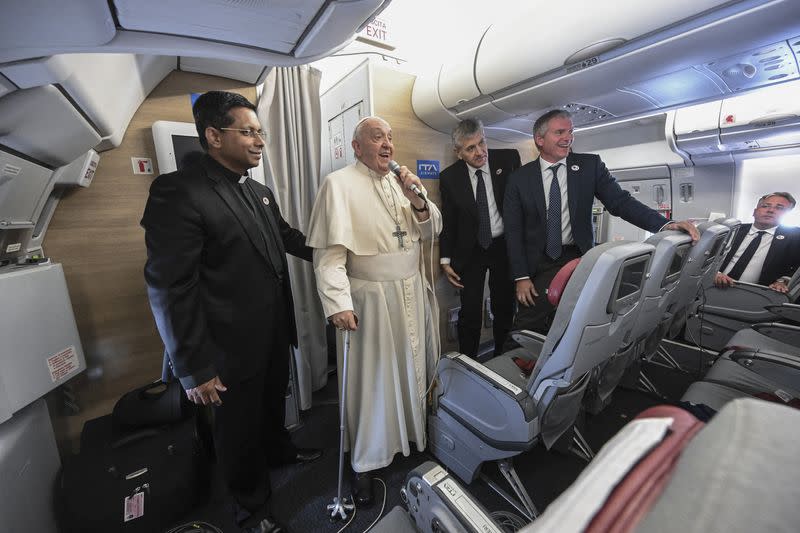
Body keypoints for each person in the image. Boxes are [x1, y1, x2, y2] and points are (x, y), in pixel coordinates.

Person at [141, 91, 320, 533]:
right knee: (236, 429)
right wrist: (193, 368)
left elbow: (287, 237)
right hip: (225, 344)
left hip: (273, 328)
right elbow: (169, 286)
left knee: (273, 400)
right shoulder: (179, 192)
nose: (260, 141)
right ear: (214, 136)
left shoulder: (258, 191)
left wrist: (337, 255)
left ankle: (279, 450)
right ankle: (250, 506)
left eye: (261, 132)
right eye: (249, 132)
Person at [307, 116, 442, 505]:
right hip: (369, 299)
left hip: (411, 291)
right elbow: (328, 258)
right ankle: (365, 462)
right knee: (372, 382)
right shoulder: (338, 185)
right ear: (357, 146)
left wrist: (418, 198)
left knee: (413, 368)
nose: (387, 144)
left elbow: (433, 232)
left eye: (390, 137)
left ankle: (413, 438)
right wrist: (338, 304)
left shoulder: (405, 184)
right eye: (377, 136)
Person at [503, 109, 700, 339]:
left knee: (577, 324)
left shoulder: (589, 166)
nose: (568, 137)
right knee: (525, 327)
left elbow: (620, 202)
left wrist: (665, 225)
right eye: (560, 132)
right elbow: (513, 231)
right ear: (539, 139)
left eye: (571, 131)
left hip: (579, 258)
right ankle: (512, 368)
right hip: (537, 264)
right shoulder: (519, 179)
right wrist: (521, 277)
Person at [439, 118, 520, 358]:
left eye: (481, 143)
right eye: (470, 148)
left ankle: (503, 361)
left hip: (502, 246)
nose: (479, 152)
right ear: (458, 153)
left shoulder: (509, 160)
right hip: (471, 250)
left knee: (504, 307)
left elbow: (522, 205)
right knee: (470, 312)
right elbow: (449, 222)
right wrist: (445, 260)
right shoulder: (450, 178)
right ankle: (468, 364)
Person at [714, 192, 800, 292]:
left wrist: (783, 281)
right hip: (714, 286)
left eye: (779, 208)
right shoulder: (732, 230)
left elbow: (795, 267)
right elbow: (708, 256)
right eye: (765, 206)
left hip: (758, 294)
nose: (771, 210)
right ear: (754, 212)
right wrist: (716, 273)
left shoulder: (795, 237)